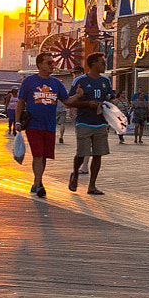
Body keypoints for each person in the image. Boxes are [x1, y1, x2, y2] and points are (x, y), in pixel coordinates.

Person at [64, 52, 114, 195]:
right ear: (93, 64)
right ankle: (75, 174)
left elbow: (110, 97)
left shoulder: (106, 81)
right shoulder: (80, 81)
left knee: (98, 154)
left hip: (100, 122)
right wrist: (87, 103)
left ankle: (92, 185)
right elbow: (70, 101)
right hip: (84, 121)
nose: (104, 65)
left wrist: (112, 103)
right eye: (102, 62)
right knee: (82, 152)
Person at [18, 51, 66, 196]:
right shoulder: (29, 81)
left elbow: (67, 100)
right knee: (37, 154)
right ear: (40, 65)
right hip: (33, 124)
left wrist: (80, 97)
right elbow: (21, 102)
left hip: (49, 125)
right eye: (49, 63)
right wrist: (17, 121)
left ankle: (36, 182)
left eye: (53, 63)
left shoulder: (56, 83)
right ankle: (39, 184)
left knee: (44, 156)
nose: (52, 65)